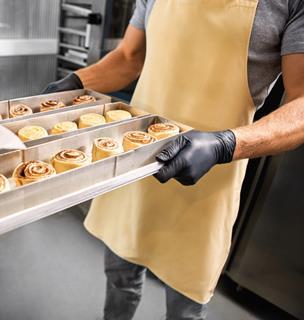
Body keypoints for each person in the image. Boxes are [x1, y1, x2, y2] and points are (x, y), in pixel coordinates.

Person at [43, 1, 304, 319]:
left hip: (209, 180)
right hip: (134, 168)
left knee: (185, 308)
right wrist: (77, 82)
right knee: (119, 278)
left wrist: (224, 145)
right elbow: (128, 58)